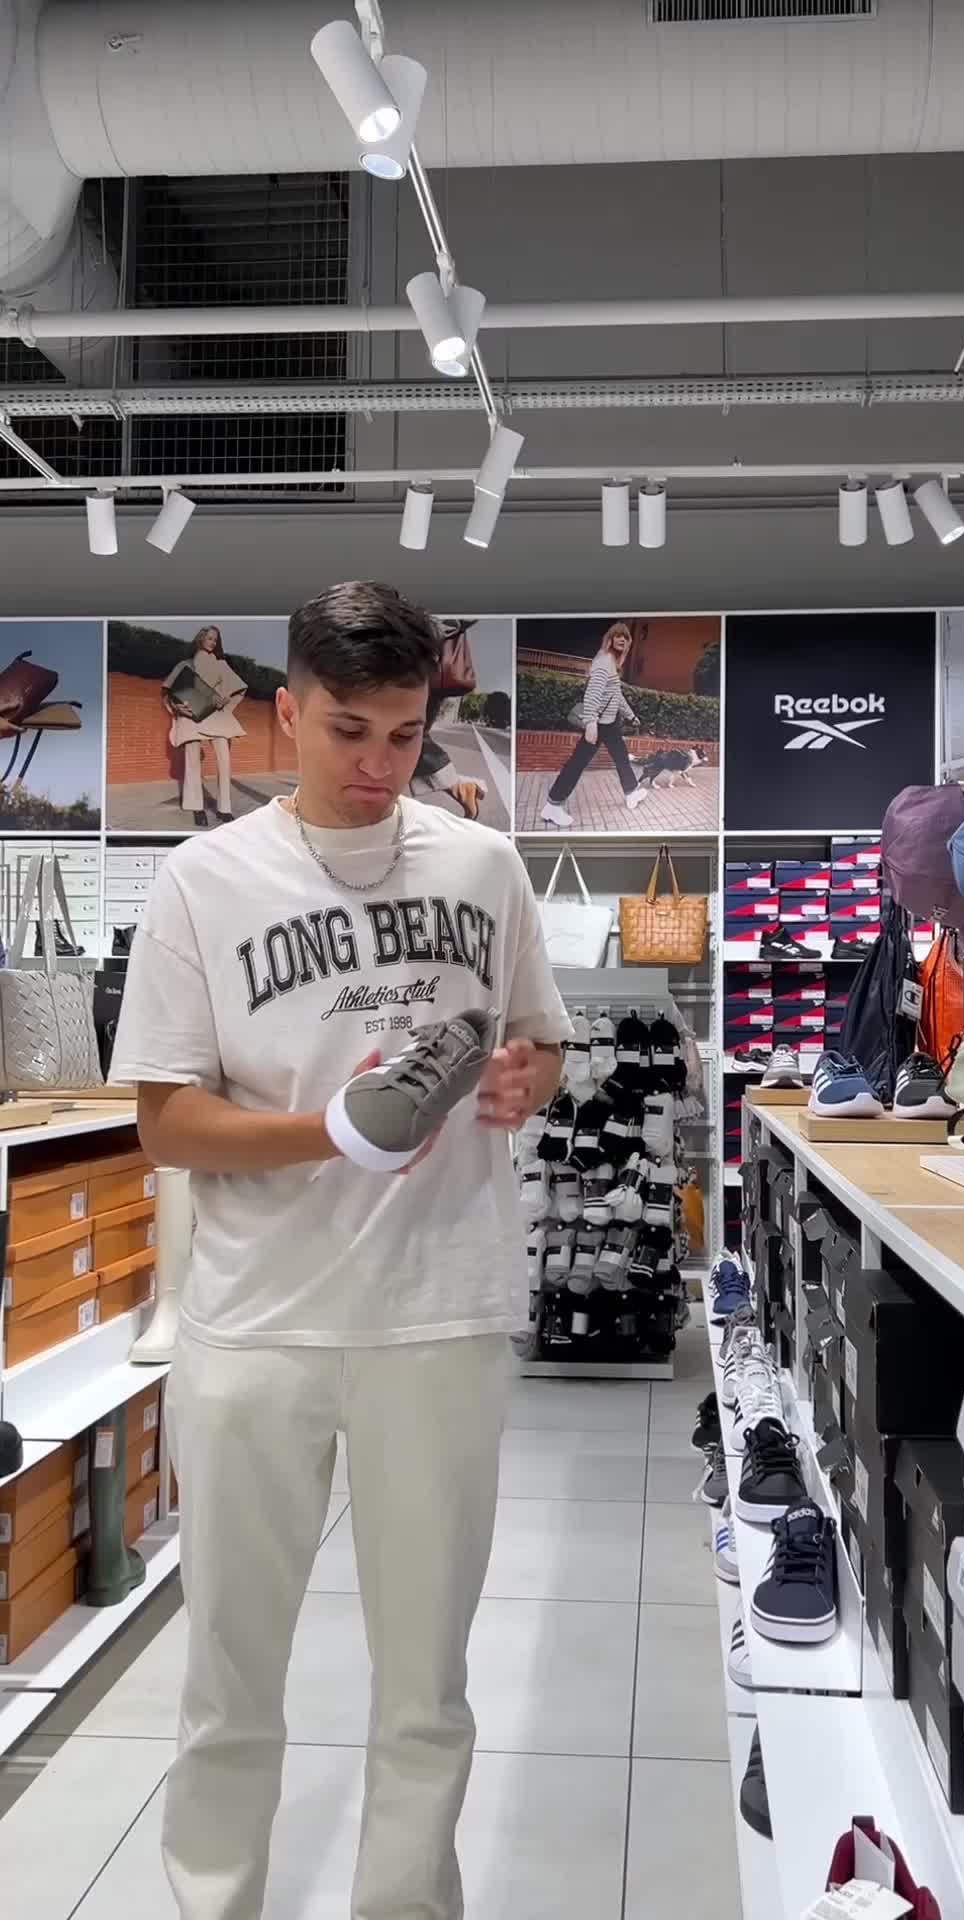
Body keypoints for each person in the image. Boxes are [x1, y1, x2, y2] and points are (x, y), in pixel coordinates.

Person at [110, 580, 569, 1920]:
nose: (380, 765)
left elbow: (538, 1040)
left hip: (441, 1311)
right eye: (348, 731)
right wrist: (335, 1132)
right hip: (256, 1324)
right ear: (286, 712)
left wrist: (525, 1081)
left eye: (405, 734)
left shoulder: (482, 866)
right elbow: (165, 1123)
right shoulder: (205, 880)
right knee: (229, 1677)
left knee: (426, 1687)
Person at [541, 619, 648, 827]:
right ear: (610, 639)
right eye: (618, 635)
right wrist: (591, 722)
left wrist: (631, 716)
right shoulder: (604, 660)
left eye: (626, 637)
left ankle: (631, 792)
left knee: (621, 757)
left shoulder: (613, 663)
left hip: (609, 724)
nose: (622, 639)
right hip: (599, 724)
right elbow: (592, 692)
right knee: (578, 763)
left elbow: (616, 696)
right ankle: (553, 805)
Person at [162, 624, 248, 827]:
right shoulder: (185, 665)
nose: (213, 642)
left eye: (215, 640)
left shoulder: (221, 665)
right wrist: (176, 707)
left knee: (224, 761)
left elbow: (237, 689)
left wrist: (226, 700)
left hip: (217, 716)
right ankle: (197, 808)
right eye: (210, 638)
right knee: (192, 762)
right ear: (201, 638)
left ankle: (224, 808)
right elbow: (167, 692)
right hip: (191, 716)